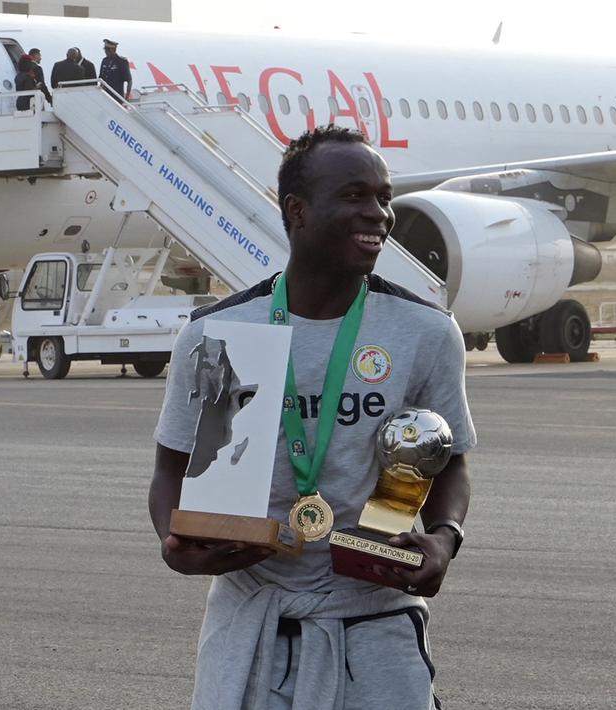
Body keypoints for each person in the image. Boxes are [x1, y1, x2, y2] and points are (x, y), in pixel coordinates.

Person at [148, 125, 475, 709]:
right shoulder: (220, 332)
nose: (379, 214)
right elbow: (171, 467)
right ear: (297, 210)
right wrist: (174, 544)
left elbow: (447, 464)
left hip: (373, 619)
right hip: (255, 619)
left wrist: (445, 540)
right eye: (355, 196)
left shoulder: (425, 332)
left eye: (383, 197)